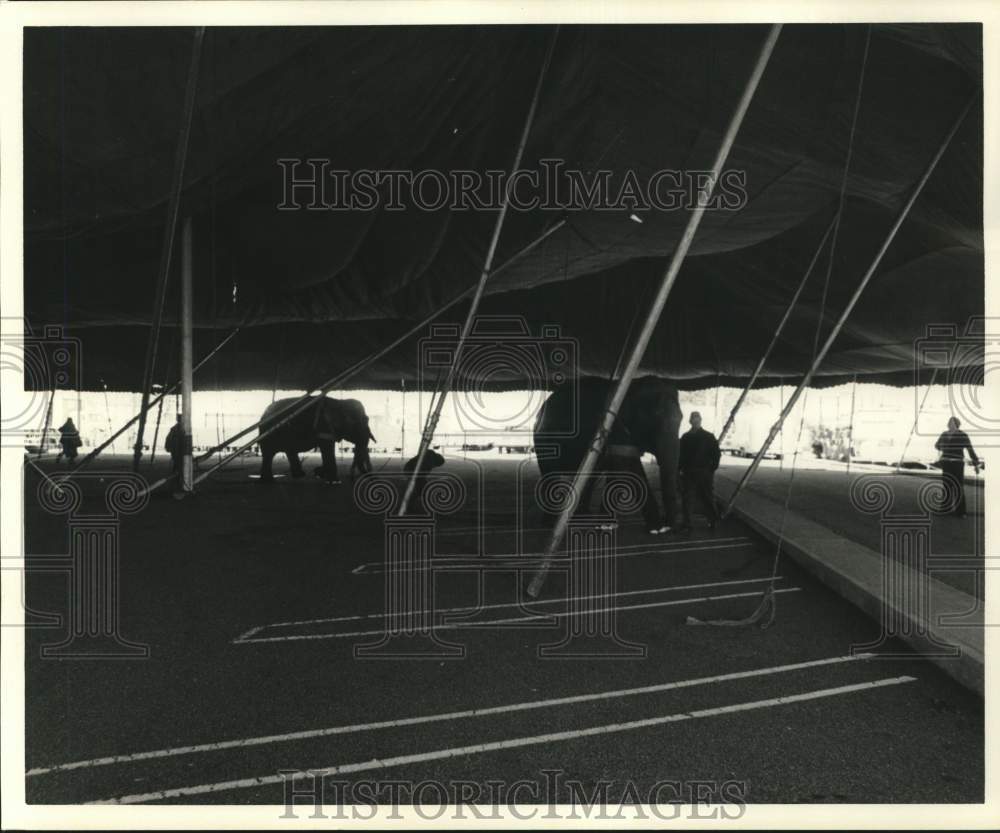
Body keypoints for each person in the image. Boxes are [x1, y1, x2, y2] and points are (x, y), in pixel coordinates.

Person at [678, 411, 721, 532]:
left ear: (700, 420)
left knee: (698, 497)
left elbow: (716, 454)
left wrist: (711, 469)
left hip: (699, 472)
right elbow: (681, 456)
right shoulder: (704, 436)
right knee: (696, 498)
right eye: (694, 419)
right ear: (691, 421)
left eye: (697, 419)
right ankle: (696, 522)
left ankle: (703, 522)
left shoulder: (689, 437)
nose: (695, 421)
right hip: (695, 472)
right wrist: (712, 469)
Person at [934, 416, 981, 518]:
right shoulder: (944, 434)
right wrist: (940, 446)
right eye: (949, 422)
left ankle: (961, 512)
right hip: (946, 463)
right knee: (947, 486)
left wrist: (976, 462)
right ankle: (944, 509)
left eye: (953, 423)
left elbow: (970, 449)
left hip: (957, 463)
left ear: (957, 424)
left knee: (958, 486)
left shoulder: (963, 435)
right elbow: (937, 445)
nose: (951, 424)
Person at [164, 415, 186, 482]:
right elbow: (169, 439)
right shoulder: (177, 429)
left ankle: (176, 480)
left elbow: (168, 439)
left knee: (177, 467)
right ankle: (177, 481)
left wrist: (168, 448)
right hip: (178, 452)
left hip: (176, 452)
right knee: (179, 467)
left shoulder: (174, 429)